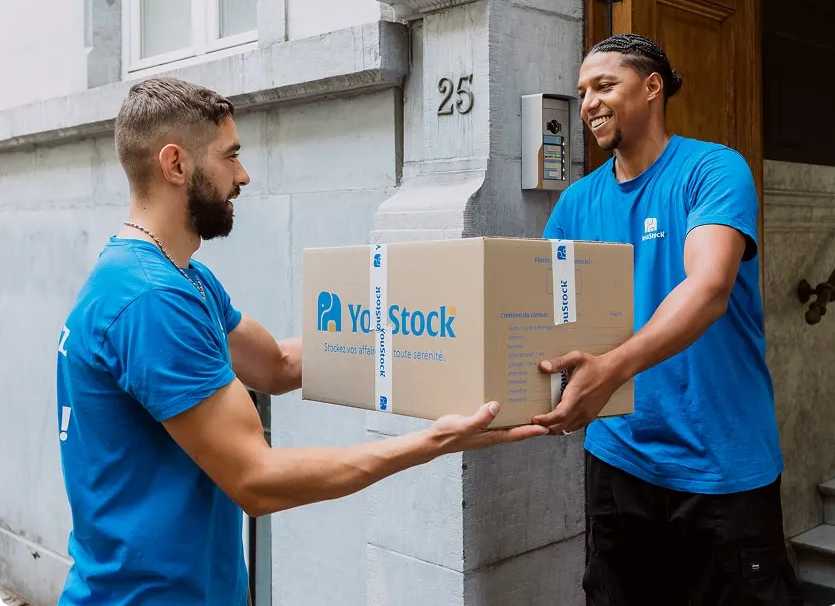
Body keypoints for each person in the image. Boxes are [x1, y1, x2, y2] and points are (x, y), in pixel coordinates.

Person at [55, 78, 549, 606]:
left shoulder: (179, 278)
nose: (243, 176)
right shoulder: (151, 299)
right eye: (231, 156)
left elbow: (278, 364)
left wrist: (455, 336)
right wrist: (432, 443)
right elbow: (258, 480)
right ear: (175, 164)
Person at [534, 34, 803, 605]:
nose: (588, 103)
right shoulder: (575, 204)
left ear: (652, 87)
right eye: (583, 92)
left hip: (721, 462)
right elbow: (542, 312)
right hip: (618, 458)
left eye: (605, 85)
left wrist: (608, 369)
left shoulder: (713, 169)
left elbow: (707, 287)